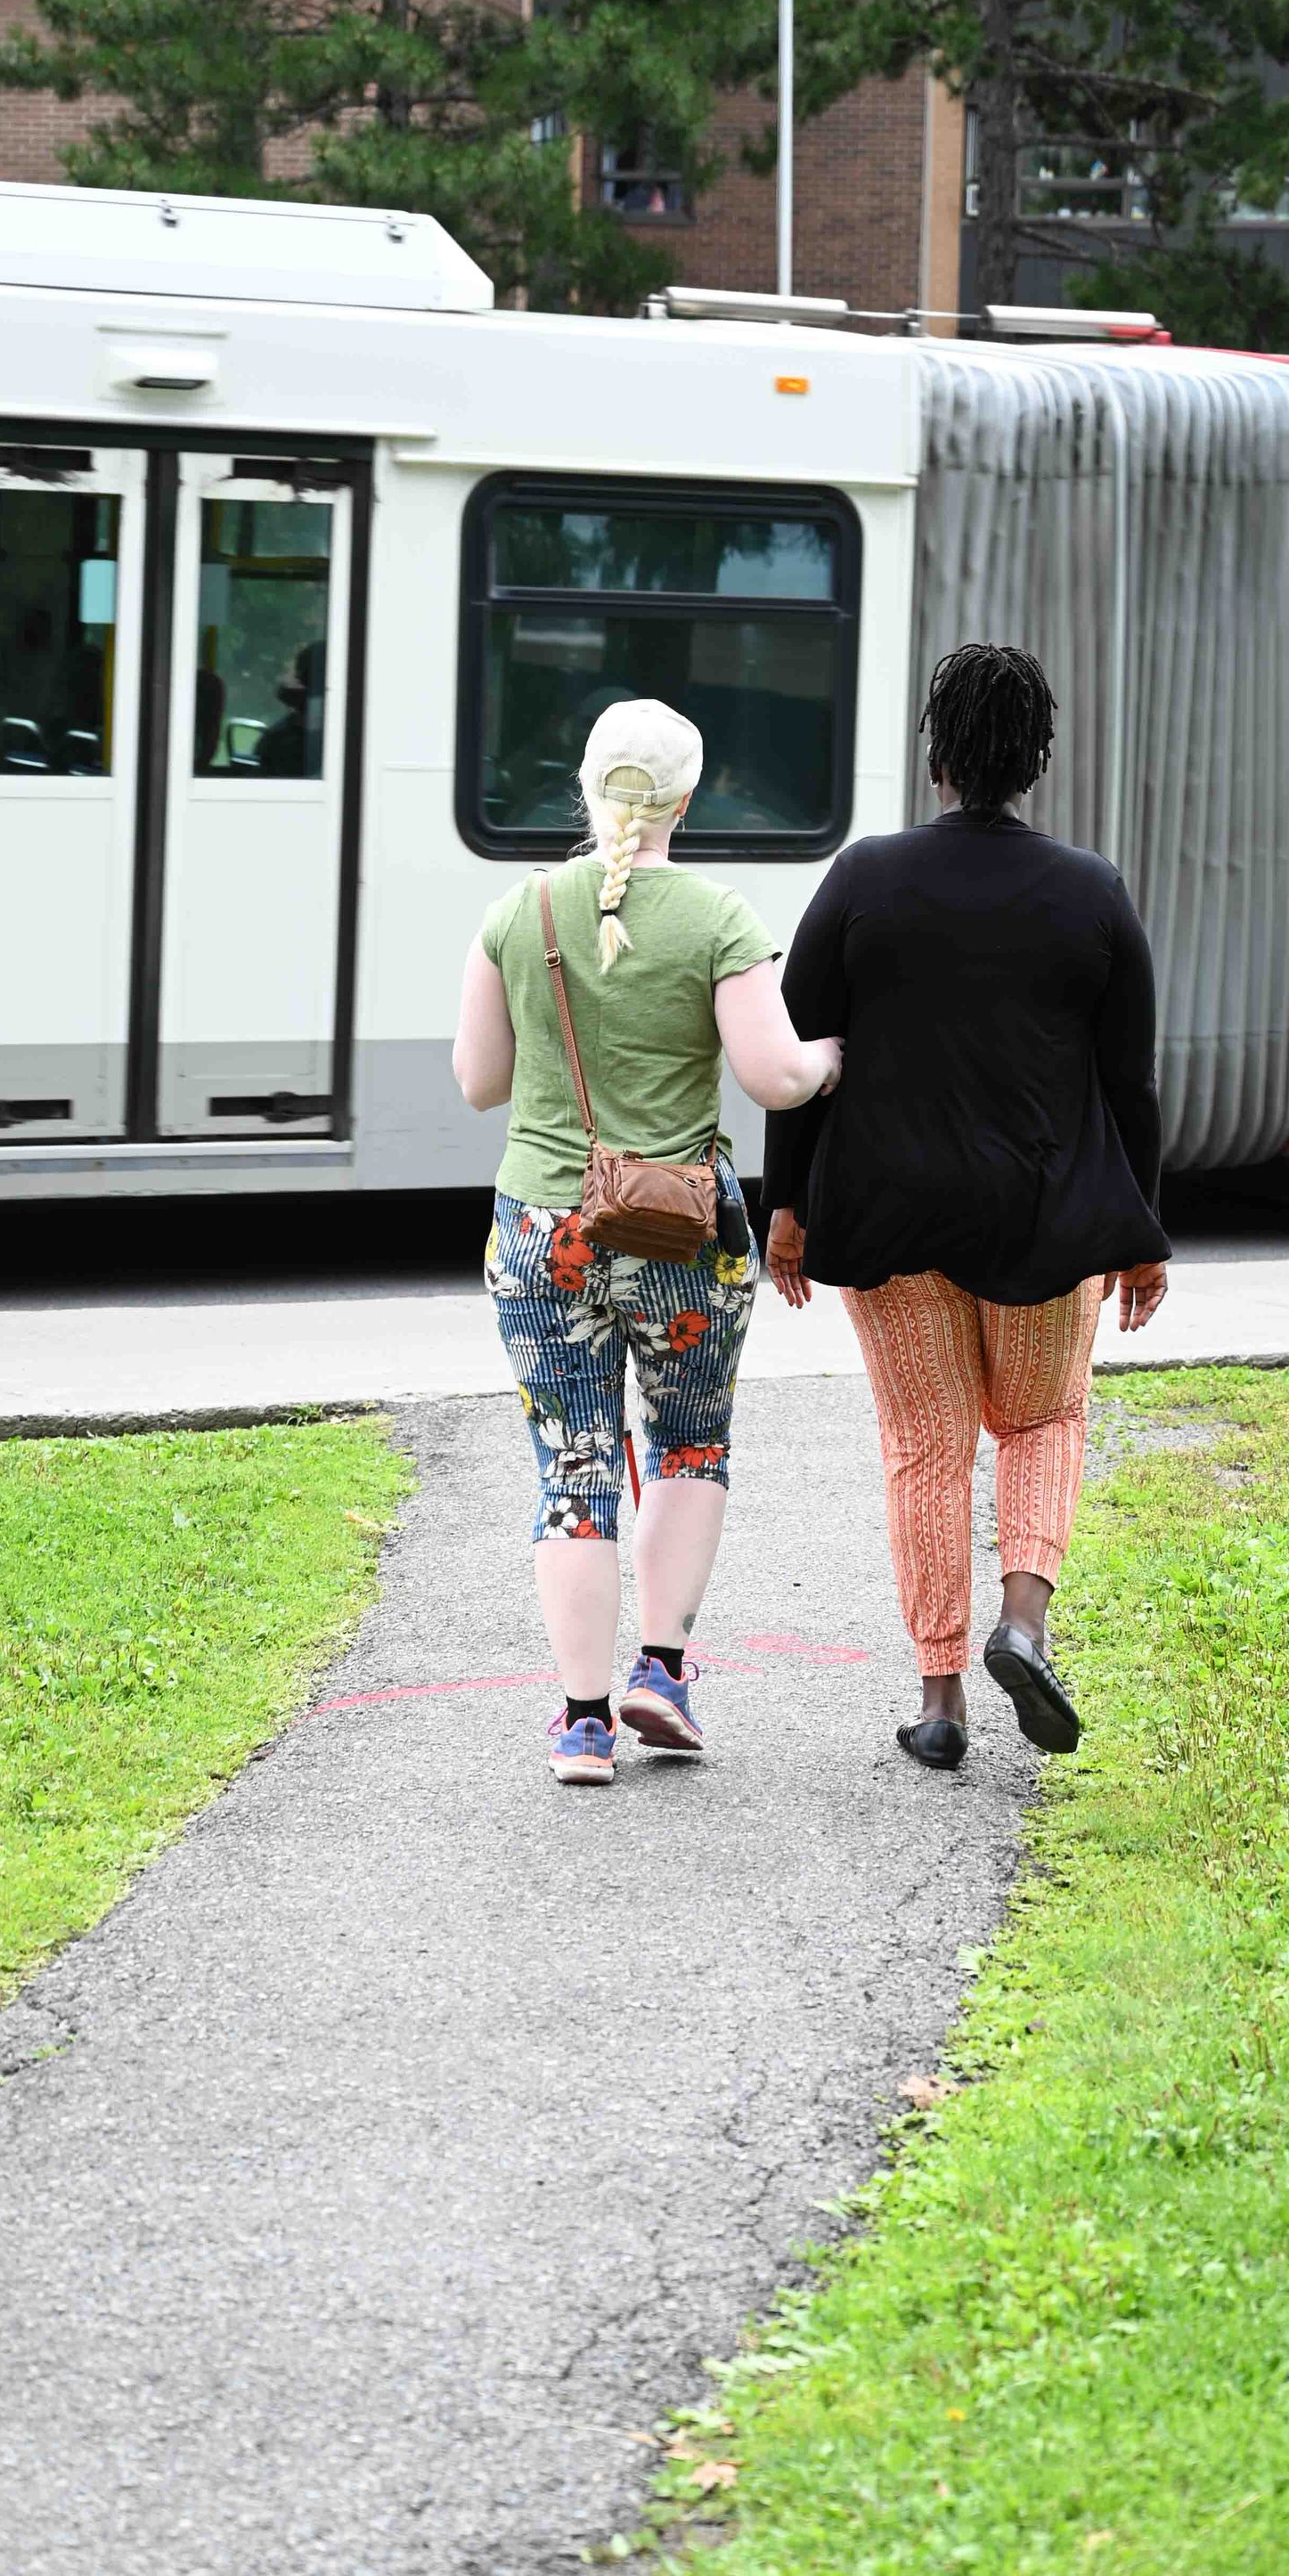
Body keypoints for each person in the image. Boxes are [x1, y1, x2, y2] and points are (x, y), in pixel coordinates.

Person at [763, 642, 1170, 1772]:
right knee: (1041, 1421)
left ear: (936, 756)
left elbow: (802, 1055)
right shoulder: (1091, 891)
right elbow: (1130, 1081)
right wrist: (1141, 1231)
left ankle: (941, 1700)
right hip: (1047, 1219)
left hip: (885, 1217)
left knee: (924, 1447)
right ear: (1034, 760)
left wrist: (785, 1206)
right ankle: (1023, 1626)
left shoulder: (863, 876)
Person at [453, 697, 841, 1787]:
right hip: (681, 1233)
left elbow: (479, 1084)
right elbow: (775, 1076)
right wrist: (828, 1059)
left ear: (584, 788)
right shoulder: (719, 917)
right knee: (687, 1443)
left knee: (572, 1468)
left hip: (541, 1228)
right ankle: (660, 1672)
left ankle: (582, 1724)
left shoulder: (516, 915)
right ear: (687, 797)